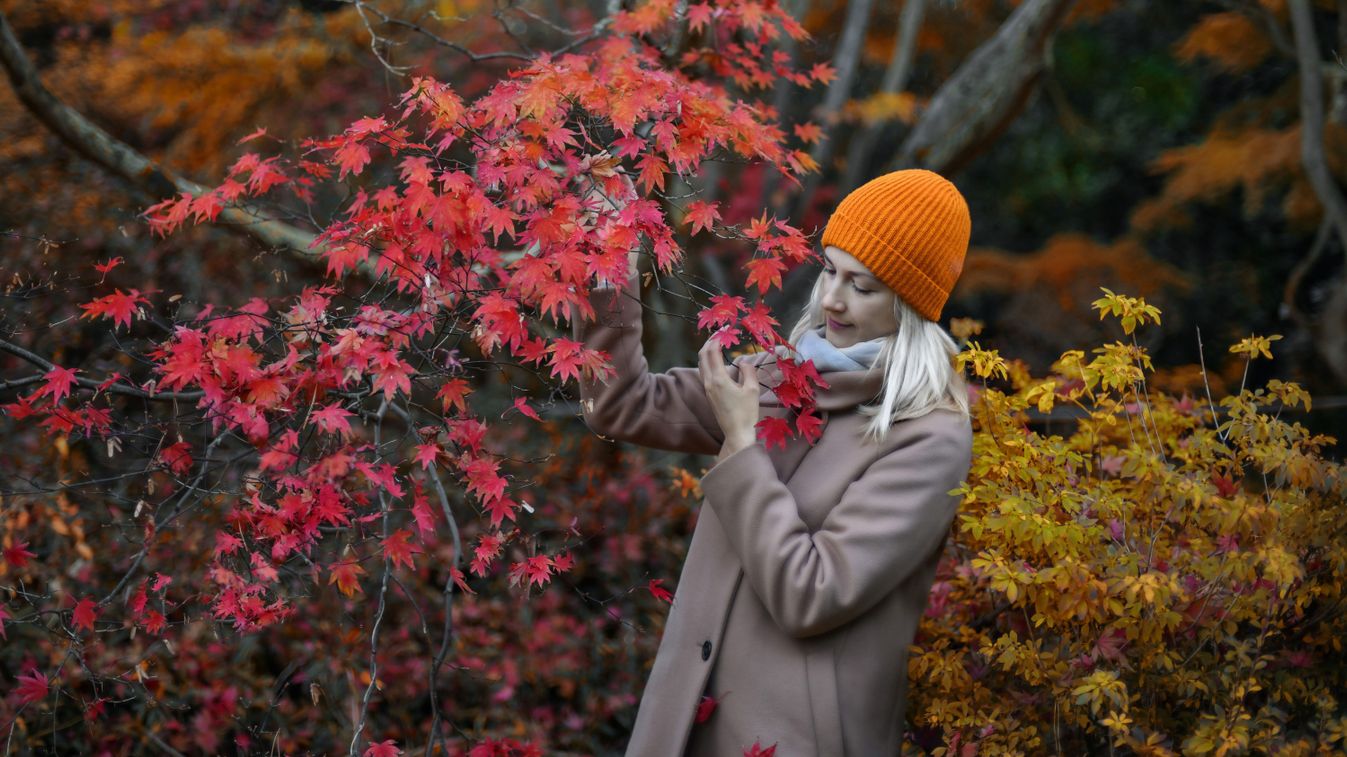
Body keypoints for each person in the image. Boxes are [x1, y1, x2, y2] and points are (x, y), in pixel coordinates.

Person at [572, 169, 974, 756]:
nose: (833, 298)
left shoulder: (930, 438)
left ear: (910, 304)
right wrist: (607, 263)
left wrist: (741, 442)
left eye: (862, 287)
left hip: (798, 740)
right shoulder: (777, 379)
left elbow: (811, 594)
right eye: (831, 270)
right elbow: (621, 404)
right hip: (688, 722)